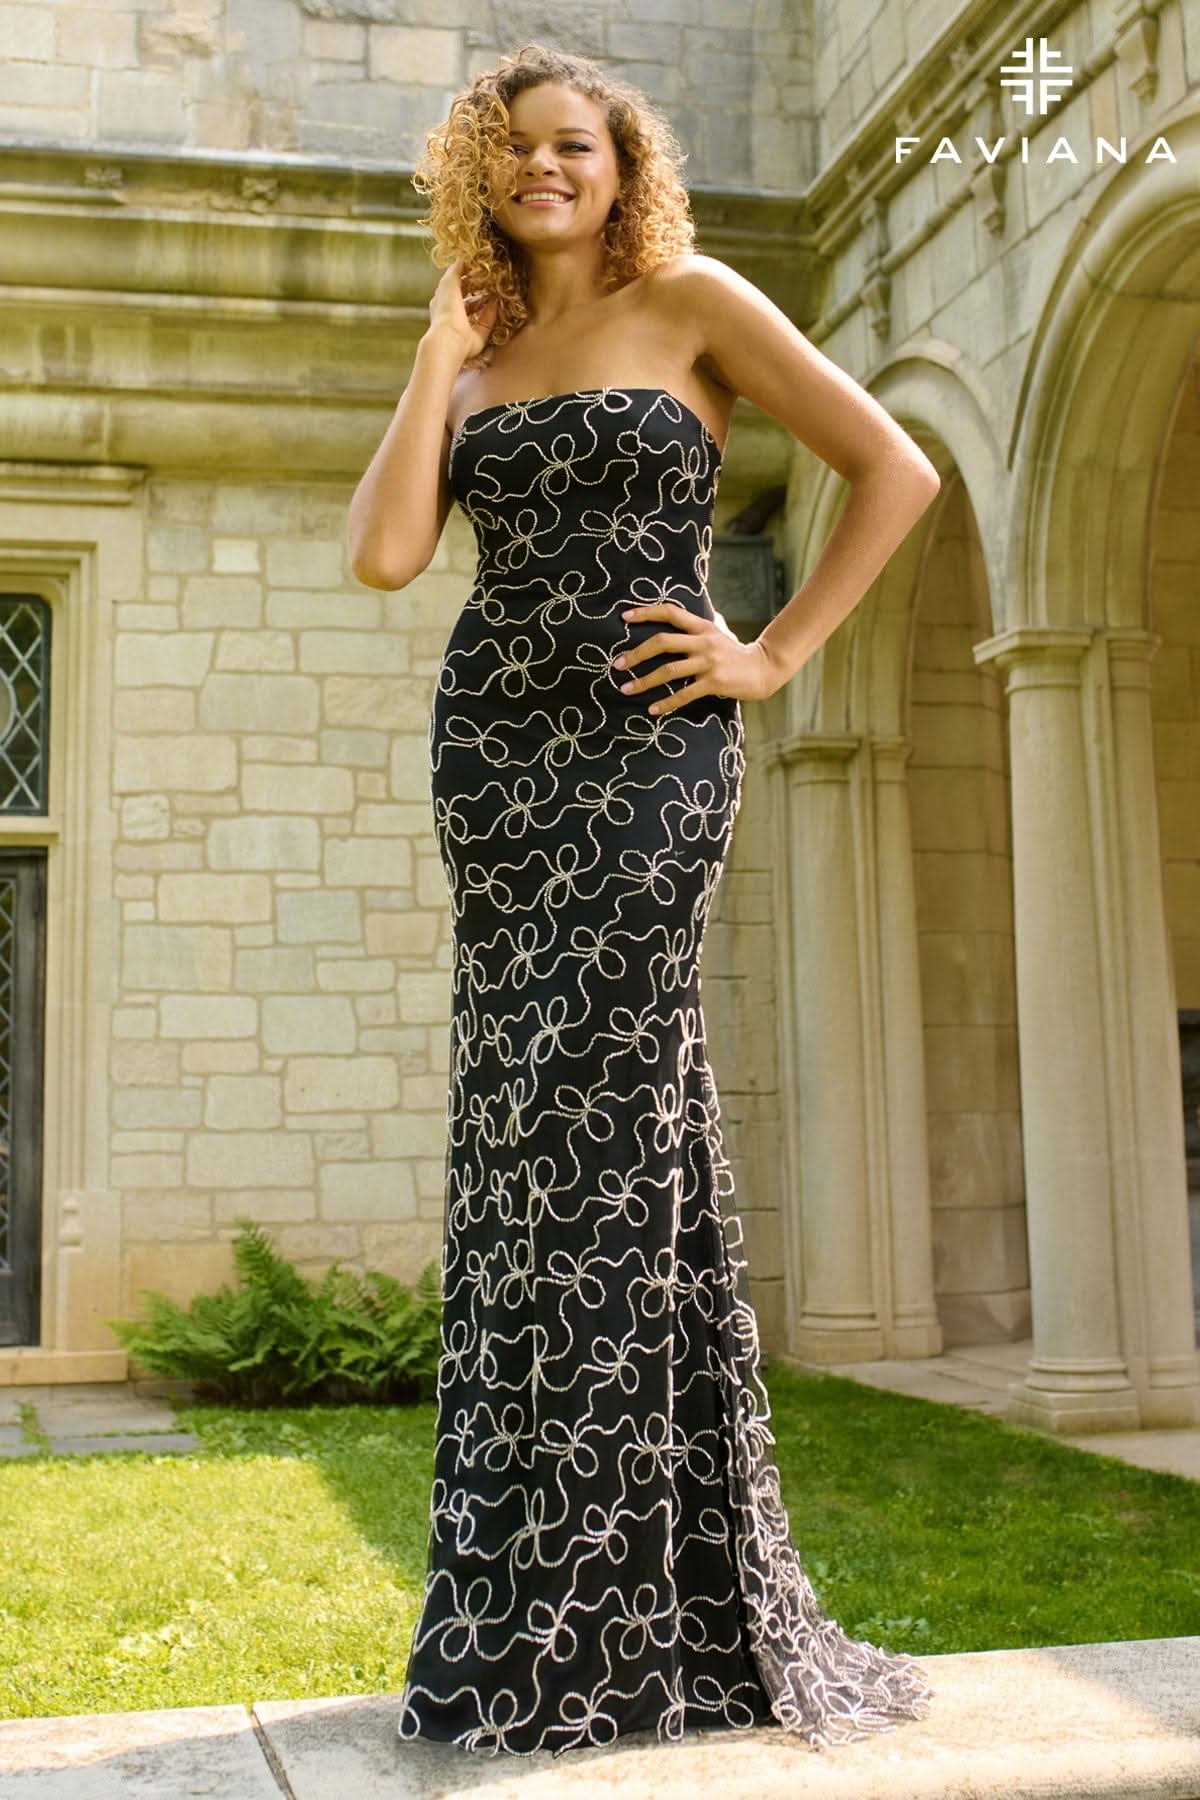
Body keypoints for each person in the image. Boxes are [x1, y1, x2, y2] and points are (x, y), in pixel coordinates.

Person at [348, 41, 941, 1762]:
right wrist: (433, 352)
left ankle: (612, 1617)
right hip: (497, 769)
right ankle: (557, 1604)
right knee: (536, 1145)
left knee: (603, 1129)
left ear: (622, 167)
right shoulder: (478, 348)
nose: (549, 169)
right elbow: (388, 556)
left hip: (650, 762)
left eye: (577, 146)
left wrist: (768, 652)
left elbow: (893, 468)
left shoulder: (689, 298)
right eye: (517, 148)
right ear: (483, 170)